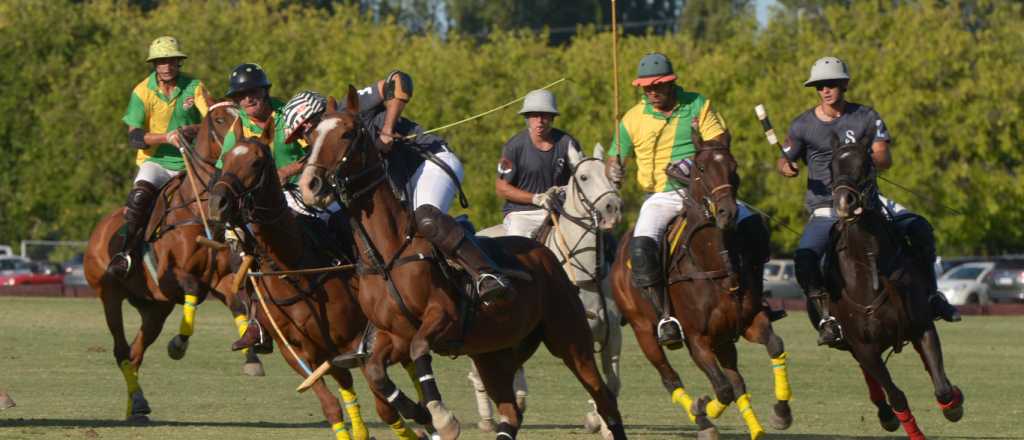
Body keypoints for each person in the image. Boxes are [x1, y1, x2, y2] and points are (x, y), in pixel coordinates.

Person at [284, 71, 511, 368]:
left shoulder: (352, 106)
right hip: (399, 182)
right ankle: (377, 325)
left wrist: (388, 128)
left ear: (316, 116)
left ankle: (486, 274)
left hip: (428, 162)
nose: (304, 138)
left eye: (303, 130)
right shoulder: (330, 146)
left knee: (425, 218)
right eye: (300, 136)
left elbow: (399, 80)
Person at [777, 56, 961, 346]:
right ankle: (826, 317)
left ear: (845, 85)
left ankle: (932, 297)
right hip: (826, 206)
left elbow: (884, 158)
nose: (825, 90)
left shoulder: (866, 117)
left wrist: (867, 157)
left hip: (868, 200)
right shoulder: (802, 124)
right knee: (805, 257)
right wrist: (786, 167)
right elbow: (785, 158)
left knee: (919, 228)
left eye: (832, 85)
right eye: (819, 86)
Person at [606, 53, 770, 348]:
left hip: (704, 190)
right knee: (641, 247)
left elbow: (720, 141)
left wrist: (697, 162)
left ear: (671, 83)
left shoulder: (697, 104)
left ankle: (757, 298)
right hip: (661, 196)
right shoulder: (631, 118)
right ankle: (665, 316)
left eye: (657, 86)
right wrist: (613, 169)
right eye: (646, 88)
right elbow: (613, 157)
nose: (652, 92)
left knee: (754, 226)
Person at [108, 36, 209, 277]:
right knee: (138, 198)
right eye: (161, 61)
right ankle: (127, 253)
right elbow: (134, 137)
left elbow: (212, 119)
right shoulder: (142, 91)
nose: (166, 66)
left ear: (178, 62)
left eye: (171, 60)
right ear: (154, 64)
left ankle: (238, 250)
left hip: (192, 162)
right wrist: (166, 138)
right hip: (156, 163)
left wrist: (191, 131)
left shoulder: (195, 86)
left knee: (223, 194)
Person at [495, 89, 581, 238]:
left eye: (545, 116)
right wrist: (535, 198)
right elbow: (501, 188)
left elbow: (582, 178)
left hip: (560, 211)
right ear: (527, 118)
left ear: (552, 118)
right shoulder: (513, 147)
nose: (539, 121)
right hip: (523, 214)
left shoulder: (568, 143)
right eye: (534, 116)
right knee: (519, 247)